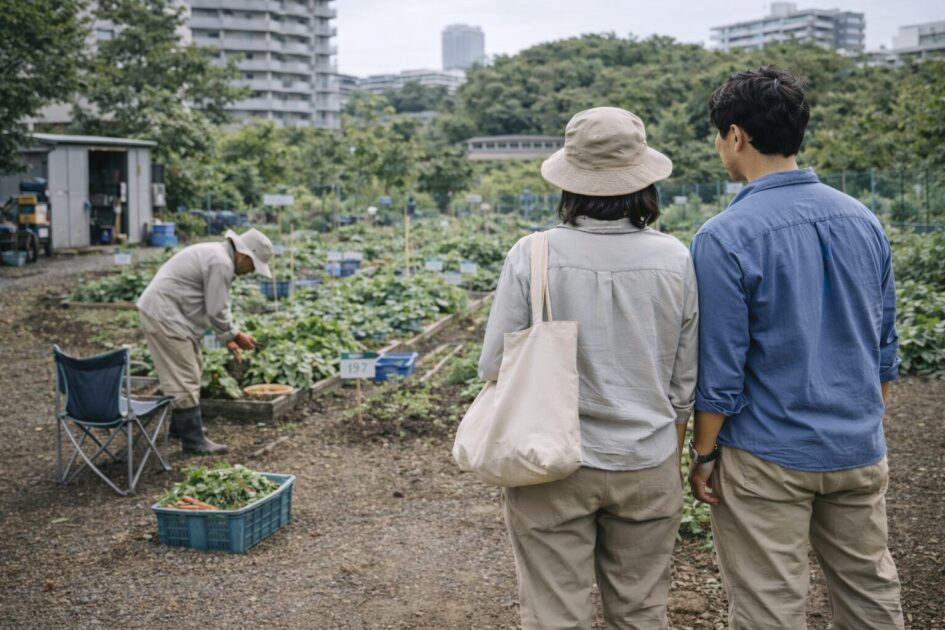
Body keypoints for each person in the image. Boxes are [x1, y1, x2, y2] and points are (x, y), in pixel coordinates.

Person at [687, 66, 904, 629]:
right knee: (870, 591)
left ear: (736, 135)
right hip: (857, 445)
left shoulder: (723, 236)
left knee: (769, 604)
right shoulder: (864, 220)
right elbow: (884, 345)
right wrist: (865, 421)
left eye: (718, 136)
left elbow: (720, 369)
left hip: (767, 454)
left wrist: (704, 454)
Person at [479, 107, 697, 629]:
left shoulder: (532, 254)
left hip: (551, 461)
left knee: (555, 614)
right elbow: (685, 381)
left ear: (569, 183)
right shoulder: (676, 259)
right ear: (644, 182)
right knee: (641, 612)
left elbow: (494, 364)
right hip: (646, 461)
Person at [136, 228, 274, 454]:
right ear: (243, 255)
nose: (251, 272)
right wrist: (235, 335)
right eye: (253, 266)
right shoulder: (221, 262)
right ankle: (193, 440)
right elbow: (216, 309)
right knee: (185, 375)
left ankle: (180, 428)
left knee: (193, 368)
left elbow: (210, 302)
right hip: (166, 316)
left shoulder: (217, 255)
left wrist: (228, 337)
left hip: (173, 314)